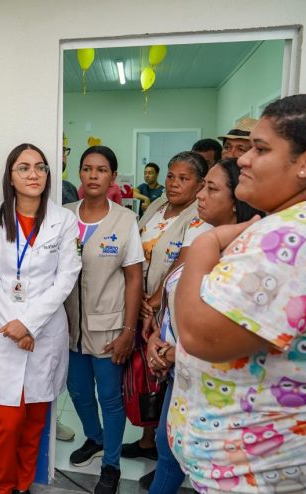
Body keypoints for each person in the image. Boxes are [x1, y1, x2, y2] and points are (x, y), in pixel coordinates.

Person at [171, 93, 306, 492]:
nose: (242, 159)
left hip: (268, 474)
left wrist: (204, 245)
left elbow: (200, 334)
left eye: (260, 148)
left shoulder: (301, 233)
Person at [145, 159, 262, 494]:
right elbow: (177, 296)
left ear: (237, 200)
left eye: (211, 188)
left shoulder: (242, 256)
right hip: (181, 373)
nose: (201, 194)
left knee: (202, 467)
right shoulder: (206, 234)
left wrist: (172, 351)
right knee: (166, 449)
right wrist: (157, 333)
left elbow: (220, 333)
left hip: (213, 385)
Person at [0, 143, 81, 494]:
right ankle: (3, 487)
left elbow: (66, 276)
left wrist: (30, 324)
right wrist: (16, 327)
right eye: (24, 168)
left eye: (40, 167)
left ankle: (23, 486)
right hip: (4, 331)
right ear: (11, 175)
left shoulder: (64, 220)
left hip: (44, 331)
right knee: (5, 421)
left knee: (35, 420)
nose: (33, 174)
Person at [121, 152, 208, 479]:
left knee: (164, 378)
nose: (173, 183)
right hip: (142, 301)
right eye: (171, 176)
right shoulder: (157, 206)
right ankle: (147, 441)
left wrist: (155, 301)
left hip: (170, 307)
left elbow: (183, 263)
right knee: (147, 379)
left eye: (183, 179)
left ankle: (167, 458)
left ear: (200, 184)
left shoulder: (198, 217)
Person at [63, 146, 144, 494]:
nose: (93, 175)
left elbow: (134, 278)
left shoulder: (124, 220)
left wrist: (129, 330)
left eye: (101, 170)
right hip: (67, 327)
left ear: (113, 177)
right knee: (78, 391)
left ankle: (110, 464)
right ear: (79, 174)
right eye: (86, 168)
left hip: (109, 327)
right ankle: (93, 438)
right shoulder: (63, 216)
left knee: (110, 398)